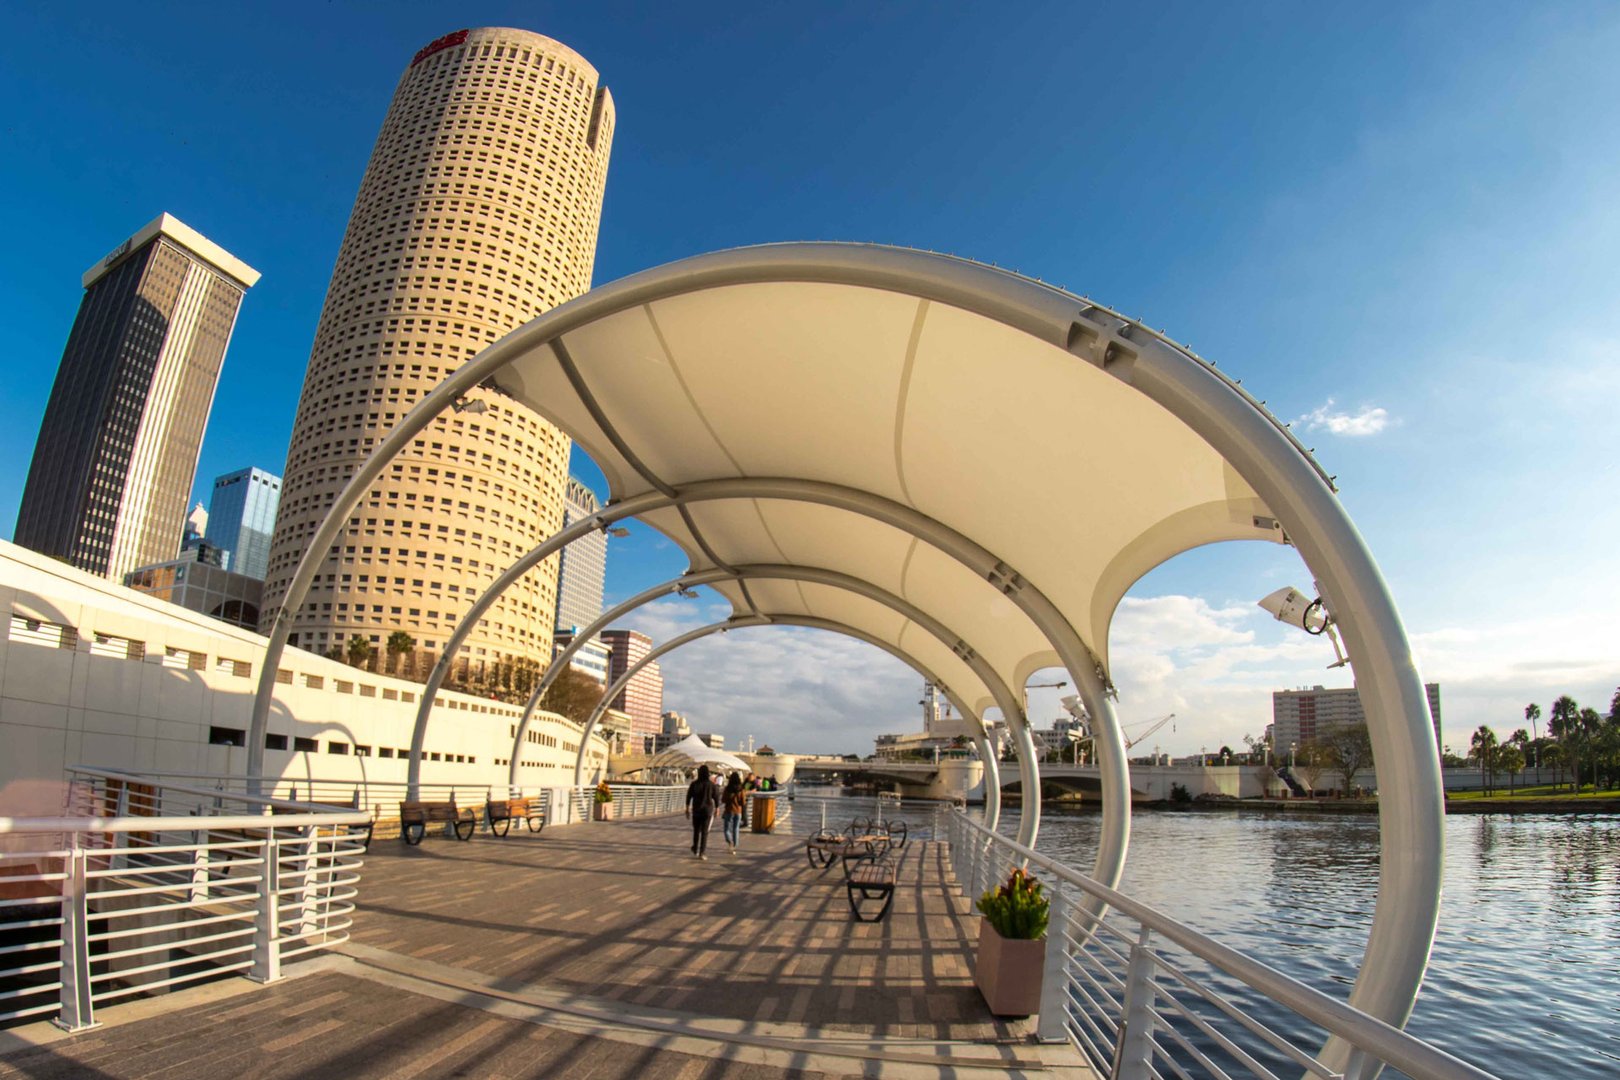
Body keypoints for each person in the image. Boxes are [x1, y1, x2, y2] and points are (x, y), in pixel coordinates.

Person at [684, 764, 719, 859]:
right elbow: (716, 797)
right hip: (707, 811)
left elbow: (689, 796)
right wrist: (717, 808)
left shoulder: (694, 784)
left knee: (696, 830)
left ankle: (695, 848)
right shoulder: (711, 785)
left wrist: (687, 808)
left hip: (697, 810)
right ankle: (702, 852)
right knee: (704, 832)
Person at [720, 772, 746, 855]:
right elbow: (743, 802)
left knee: (727, 829)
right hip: (738, 811)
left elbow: (723, 800)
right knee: (736, 829)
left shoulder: (727, 789)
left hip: (729, 811)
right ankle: (734, 846)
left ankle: (730, 841)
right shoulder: (741, 789)